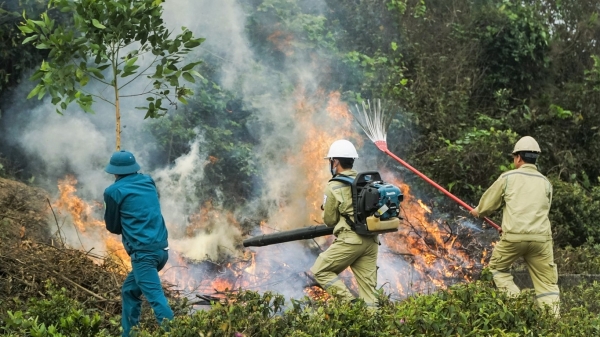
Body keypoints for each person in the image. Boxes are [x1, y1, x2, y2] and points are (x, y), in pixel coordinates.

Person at [470, 136, 559, 316]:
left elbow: (487, 206)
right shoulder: (546, 183)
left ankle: (519, 306)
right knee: (547, 284)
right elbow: (540, 211)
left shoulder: (508, 178)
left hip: (513, 238)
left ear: (518, 158)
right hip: (541, 241)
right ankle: (553, 324)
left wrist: (477, 211)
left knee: (497, 269)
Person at [103, 150, 174, 336]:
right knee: (129, 291)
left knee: (156, 299)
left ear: (114, 172)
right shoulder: (148, 181)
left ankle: (177, 332)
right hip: (162, 251)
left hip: (144, 255)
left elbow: (113, 227)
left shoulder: (113, 192)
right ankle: (129, 334)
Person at [310, 139, 380, 306]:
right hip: (371, 240)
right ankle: (375, 325)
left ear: (335, 162)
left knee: (320, 270)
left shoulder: (334, 186)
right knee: (369, 293)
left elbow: (329, 220)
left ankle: (350, 304)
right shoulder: (365, 182)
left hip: (351, 241)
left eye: (331, 161)